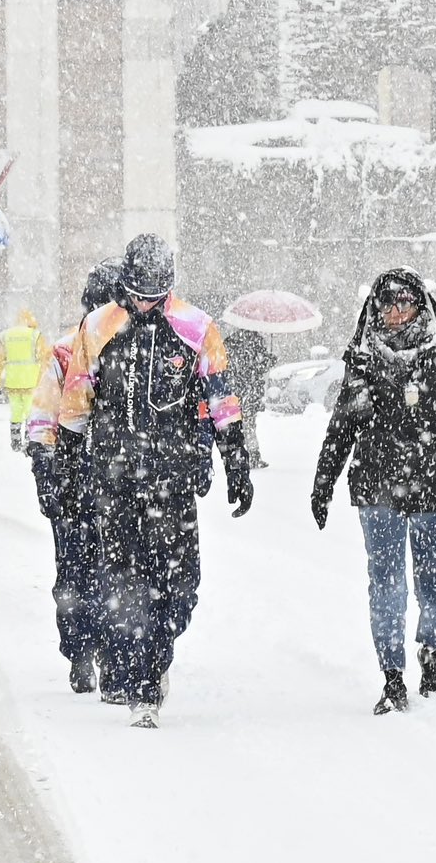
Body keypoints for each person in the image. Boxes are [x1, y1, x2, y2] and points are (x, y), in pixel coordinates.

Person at [58, 233, 254, 728]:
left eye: (155, 294)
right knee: (123, 578)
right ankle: (136, 674)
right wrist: (65, 467)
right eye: (138, 294)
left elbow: (221, 397)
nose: (146, 303)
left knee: (180, 583)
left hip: (173, 477)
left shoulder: (196, 328)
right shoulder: (97, 326)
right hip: (114, 477)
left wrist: (236, 461)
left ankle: (157, 651)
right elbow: (76, 404)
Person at [312, 267, 436, 715]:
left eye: (406, 303)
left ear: (421, 305)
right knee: (387, 586)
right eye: (388, 305)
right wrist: (323, 484)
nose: (397, 313)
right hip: (378, 488)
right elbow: (344, 423)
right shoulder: (364, 359)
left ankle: (433, 654)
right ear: (376, 309)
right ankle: (393, 676)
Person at [24, 261, 121, 695]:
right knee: (82, 569)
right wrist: (47, 471)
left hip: (108, 481)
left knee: (91, 570)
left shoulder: (131, 353)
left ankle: (101, 650)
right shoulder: (66, 351)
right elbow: (42, 419)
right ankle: (84, 652)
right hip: (79, 480)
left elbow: (41, 420)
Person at [0, 308, 49, 450]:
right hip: (31, 382)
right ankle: (30, 441)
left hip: (13, 381)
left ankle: (16, 441)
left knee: (16, 411)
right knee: (31, 412)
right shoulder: (35, 336)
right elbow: (45, 360)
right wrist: (45, 382)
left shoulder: (6, 336)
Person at [221, 324, 275, 468]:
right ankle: (252, 455)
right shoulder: (257, 340)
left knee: (236, 424)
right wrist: (270, 359)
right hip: (250, 389)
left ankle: (238, 455)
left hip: (235, 389)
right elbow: (260, 366)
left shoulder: (231, 341)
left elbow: (225, 363)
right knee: (249, 423)